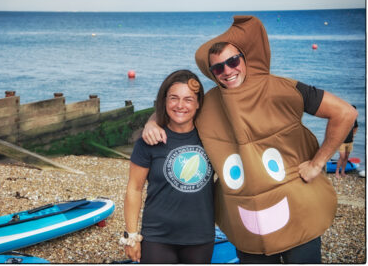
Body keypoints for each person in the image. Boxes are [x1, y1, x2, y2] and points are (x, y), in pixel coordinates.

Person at [142, 16, 358, 263]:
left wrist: (317, 163)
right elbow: (179, 109)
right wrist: (153, 121)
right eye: (218, 68)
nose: (227, 71)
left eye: (232, 61)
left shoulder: (282, 88)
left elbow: (345, 113)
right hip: (246, 222)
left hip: (297, 212)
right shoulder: (210, 103)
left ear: (244, 59)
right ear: (212, 73)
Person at [121, 70, 215, 263]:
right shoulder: (149, 140)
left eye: (188, 99)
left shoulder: (212, 137)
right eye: (174, 98)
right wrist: (131, 236)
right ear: (164, 101)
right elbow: (134, 188)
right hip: (158, 237)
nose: (180, 105)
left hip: (200, 236)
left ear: (198, 104)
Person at [335, 105, 358, 178]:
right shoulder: (343, 118)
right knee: (342, 157)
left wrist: (353, 135)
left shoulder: (354, 119)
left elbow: (356, 127)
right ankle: (337, 172)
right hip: (342, 141)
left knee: (346, 157)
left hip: (350, 141)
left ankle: (343, 172)